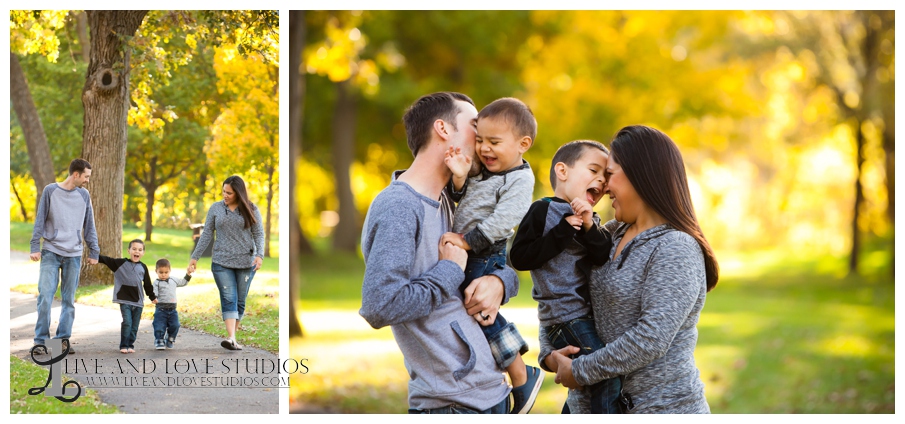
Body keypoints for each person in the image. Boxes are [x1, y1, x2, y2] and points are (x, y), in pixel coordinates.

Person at [360, 92, 522, 414]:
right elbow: (379, 305)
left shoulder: (451, 200)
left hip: (490, 390)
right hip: (451, 404)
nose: (482, 140)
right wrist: (450, 271)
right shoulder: (400, 207)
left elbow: (496, 261)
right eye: (475, 126)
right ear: (443, 130)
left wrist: (501, 282)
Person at [541, 125, 719, 413]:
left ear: (641, 174)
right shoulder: (604, 234)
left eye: (609, 174)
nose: (603, 186)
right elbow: (558, 289)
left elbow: (650, 339)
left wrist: (580, 370)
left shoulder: (675, 247)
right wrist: (550, 354)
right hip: (584, 408)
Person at [440, 97, 543, 414]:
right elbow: (460, 197)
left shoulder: (519, 179)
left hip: (485, 252)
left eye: (494, 142)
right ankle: (506, 374)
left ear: (523, 144)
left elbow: (503, 221)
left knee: (481, 312)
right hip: (470, 248)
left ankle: (521, 374)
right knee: (474, 312)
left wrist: (465, 242)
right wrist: (459, 176)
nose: (484, 148)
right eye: (480, 140)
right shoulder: (482, 169)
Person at [510, 140, 621, 413]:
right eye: (594, 170)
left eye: (605, 177)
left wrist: (586, 227)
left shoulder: (590, 219)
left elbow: (601, 254)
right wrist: (562, 232)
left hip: (582, 315)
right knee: (606, 377)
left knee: (593, 378)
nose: (602, 181)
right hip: (564, 314)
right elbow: (520, 257)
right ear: (563, 171)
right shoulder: (542, 210)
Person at [30, 158, 100, 355]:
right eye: (86, 176)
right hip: (51, 251)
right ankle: (41, 341)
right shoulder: (50, 191)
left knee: (68, 299)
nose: (87, 180)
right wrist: (35, 245)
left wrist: (94, 251)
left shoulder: (84, 195)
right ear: (76, 174)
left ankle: (62, 340)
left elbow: (89, 224)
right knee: (45, 296)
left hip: (74, 254)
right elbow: (40, 219)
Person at [188, 175, 264, 351]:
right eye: (224, 191)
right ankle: (230, 338)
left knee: (240, 301)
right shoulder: (216, 208)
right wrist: (195, 257)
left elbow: (259, 234)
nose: (225, 195)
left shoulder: (251, 209)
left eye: (229, 192)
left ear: (238, 193)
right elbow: (207, 233)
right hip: (221, 262)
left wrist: (259, 255)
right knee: (229, 298)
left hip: (246, 262)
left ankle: (233, 338)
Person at [98, 239, 156, 354]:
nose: (137, 252)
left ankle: (130, 344)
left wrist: (152, 297)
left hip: (138, 302)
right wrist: (95, 256)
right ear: (128, 250)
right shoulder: (120, 264)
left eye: (140, 250)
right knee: (127, 322)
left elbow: (148, 284)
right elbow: (107, 260)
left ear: (143, 253)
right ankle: (124, 345)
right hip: (124, 300)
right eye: (134, 249)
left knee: (134, 326)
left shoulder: (143, 267)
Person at [152, 258, 192, 350]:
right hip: (161, 309)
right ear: (156, 271)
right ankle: (159, 340)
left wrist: (188, 274)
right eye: (161, 272)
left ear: (170, 271)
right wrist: (154, 298)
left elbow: (183, 282)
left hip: (172, 309)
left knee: (175, 325)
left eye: (166, 272)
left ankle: (170, 338)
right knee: (159, 325)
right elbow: (154, 293)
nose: (163, 275)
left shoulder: (173, 280)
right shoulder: (156, 283)